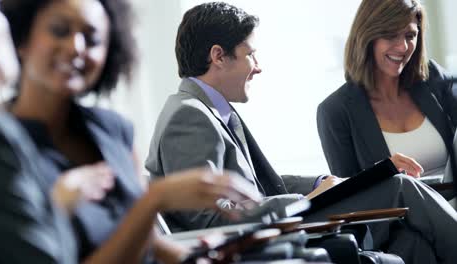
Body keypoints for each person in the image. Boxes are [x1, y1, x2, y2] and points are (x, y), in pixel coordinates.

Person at [145, 2, 457, 263]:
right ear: (218, 56)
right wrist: (299, 200)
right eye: (251, 54)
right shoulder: (188, 117)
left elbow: (255, 184)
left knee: (413, 244)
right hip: (272, 234)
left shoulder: (204, 110)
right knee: (400, 185)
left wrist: (319, 184)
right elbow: (211, 220)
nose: (258, 66)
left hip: (280, 221)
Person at [0, 0, 259, 263]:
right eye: (60, 31)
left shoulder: (114, 129)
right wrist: (155, 199)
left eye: (92, 39)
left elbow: (148, 240)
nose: (76, 47)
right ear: (22, 38)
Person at [317, 0, 457, 180]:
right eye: (391, 35)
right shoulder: (334, 111)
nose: (403, 47)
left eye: (410, 35)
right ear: (367, 37)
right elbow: (346, 197)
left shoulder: (433, 79)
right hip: (401, 207)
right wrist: (382, 172)